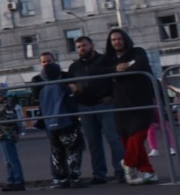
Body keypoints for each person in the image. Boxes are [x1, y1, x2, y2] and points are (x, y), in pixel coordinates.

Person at [65, 35, 125, 184]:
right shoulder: (74, 66)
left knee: (114, 138)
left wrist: (111, 96)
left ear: (91, 45)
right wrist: (73, 88)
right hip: (85, 107)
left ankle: (121, 171)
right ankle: (99, 174)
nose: (81, 49)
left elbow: (116, 80)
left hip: (104, 104)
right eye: (78, 47)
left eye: (84, 45)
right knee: (93, 142)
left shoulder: (105, 60)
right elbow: (70, 83)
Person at [105, 28, 157, 185]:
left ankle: (127, 163)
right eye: (113, 39)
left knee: (138, 135)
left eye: (119, 38)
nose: (117, 42)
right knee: (127, 139)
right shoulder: (109, 59)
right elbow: (97, 70)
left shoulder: (137, 51)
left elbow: (141, 64)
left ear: (125, 39)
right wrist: (115, 69)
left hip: (141, 102)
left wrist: (124, 68)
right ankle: (149, 172)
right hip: (121, 104)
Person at [32, 55, 86, 188]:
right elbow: (71, 105)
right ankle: (75, 177)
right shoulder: (64, 88)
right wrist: (76, 121)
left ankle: (61, 178)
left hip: (51, 124)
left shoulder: (43, 90)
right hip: (66, 123)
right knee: (73, 149)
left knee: (57, 152)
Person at [0, 85, 25, 191]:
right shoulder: (1, 104)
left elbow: (11, 119)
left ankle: (17, 180)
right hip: (3, 134)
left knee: (11, 159)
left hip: (7, 134)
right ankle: (11, 180)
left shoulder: (7, 104)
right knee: (8, 159)